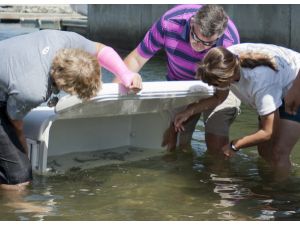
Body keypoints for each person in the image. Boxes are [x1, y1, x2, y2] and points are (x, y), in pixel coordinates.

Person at [0, 29, 142, 190]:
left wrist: (126, 74)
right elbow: (16, 125)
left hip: (10, 75)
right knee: (18, 177)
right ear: (66, 87)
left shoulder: (63, 41)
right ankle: (18, 206)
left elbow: (101, 50)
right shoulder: (34, 90)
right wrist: (25, 161)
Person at [123, 4, 241, 155]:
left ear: (219, 35)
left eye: (208, 43)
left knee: (216, 141)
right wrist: (114, 94)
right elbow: (136, 59)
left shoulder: (230, 41)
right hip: (180, 83)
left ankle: (218, 175)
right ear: (192, 23)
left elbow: (222, 94)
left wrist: (191, 110)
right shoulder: (170, 23)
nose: (200, 47)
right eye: (196, 38)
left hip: (219, 87)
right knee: (171, 142)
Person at [173, 43, 300, 180]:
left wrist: (235, 145)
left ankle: (281, 196)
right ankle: (277, 181)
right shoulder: (223, 60)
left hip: (294, 85)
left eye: (214, 84)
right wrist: (189, 111)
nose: (212, 87)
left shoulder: (260, 81)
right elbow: (218, 97)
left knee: (278, 152)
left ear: (229, 78)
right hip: (277, 86)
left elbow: (269, 131)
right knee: (264, 151)